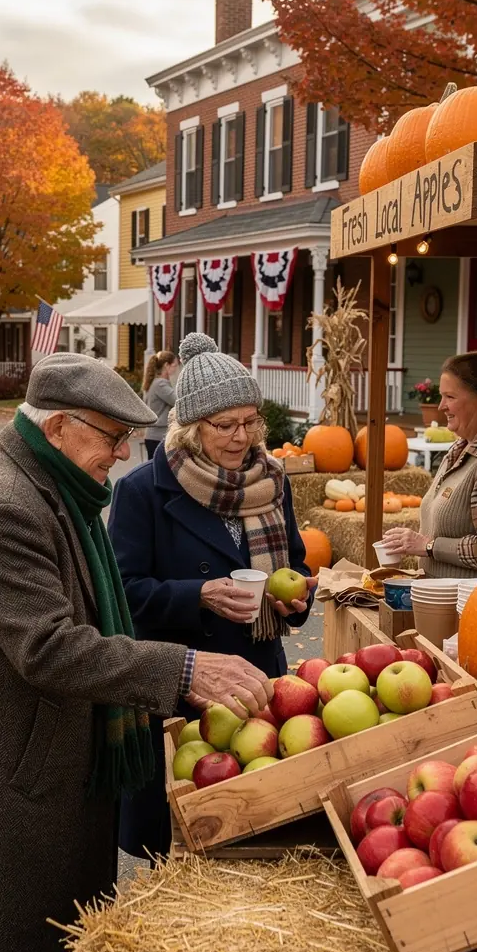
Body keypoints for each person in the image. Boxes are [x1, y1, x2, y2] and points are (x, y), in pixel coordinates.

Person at [0, 352, 274, 952]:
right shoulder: (1, 507)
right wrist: (183, 668)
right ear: (58, 427)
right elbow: (48, 647)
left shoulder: (52, 486)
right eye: (112, 435)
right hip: (5, 790)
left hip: (37, 773)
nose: (123, 452)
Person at [108, 332, 316, 857]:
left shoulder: (273, 481)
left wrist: (295, 601)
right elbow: (122, 593)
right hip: (180, 688)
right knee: (177, 840)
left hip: (257, 681)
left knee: (255, 832)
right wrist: (198, 594)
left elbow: (295, 565)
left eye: (250, 421)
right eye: (225, 425)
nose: (241, 436)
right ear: (191, 427)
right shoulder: (142, 491)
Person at [382, 352, 477, 577]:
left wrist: (427, 545)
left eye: (450, 397)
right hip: (439, 594)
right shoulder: (463, 446)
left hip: (473, 597)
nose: (441, 406)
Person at [141, 349, 179, 460]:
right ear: (167, 365)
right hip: (158, 437)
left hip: (155, 436)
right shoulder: (160, 384)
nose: (176, 369)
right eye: (174, 366)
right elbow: (178, 401)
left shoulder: (156, 382)